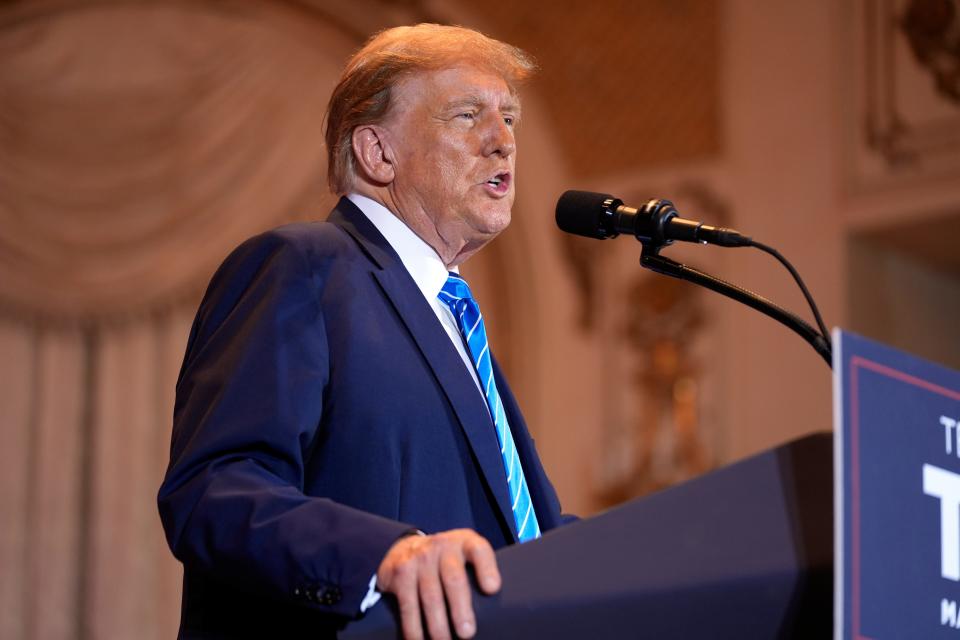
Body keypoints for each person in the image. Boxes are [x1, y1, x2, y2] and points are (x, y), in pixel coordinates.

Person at [158, 23, 567, 640]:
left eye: (509, 118)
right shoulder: (304, 266)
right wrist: (383, 557)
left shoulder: (453, 317)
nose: (503, 141)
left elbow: (520, 533)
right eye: (467, 114)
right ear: (378, 153)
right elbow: (213, 490)